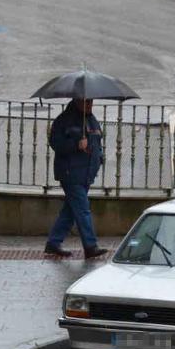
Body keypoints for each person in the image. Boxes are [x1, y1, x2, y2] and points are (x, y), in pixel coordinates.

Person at [44, 98, 109, 259]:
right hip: (70, 172)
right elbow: (55, 143)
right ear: (77, 101)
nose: (90, 105)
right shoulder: (64, 120)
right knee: (82, 209)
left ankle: (53, 243)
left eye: (91, 102)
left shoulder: (91, 120)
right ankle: (90, 246)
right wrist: (76, 144)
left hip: (86, 173)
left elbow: (97, 143)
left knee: (71, 211)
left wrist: (99, 157)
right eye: (86, 102)